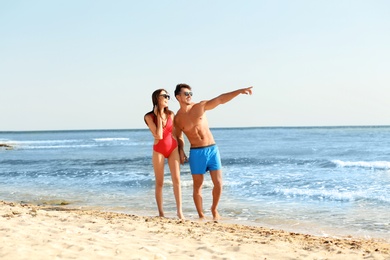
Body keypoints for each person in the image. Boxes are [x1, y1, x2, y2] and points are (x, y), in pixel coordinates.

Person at [174, 83, 253, 220]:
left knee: (218, 183)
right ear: (178, 96)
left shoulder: (199, 107)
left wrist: (239, 91)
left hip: (212, 149)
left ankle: (214, 209)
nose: (189, 96)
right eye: (186, 93)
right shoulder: (178, 118)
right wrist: (181, 151)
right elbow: (179, 137)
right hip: (196, 152)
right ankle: (201, 214)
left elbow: (220, 99)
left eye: (190, 93)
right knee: (197, 185)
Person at [144, 89, 184, 219]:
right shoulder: (148, 117)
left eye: (168, 96)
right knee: (159, 182)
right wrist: (159, 116)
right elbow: (159, 135)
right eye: (164, 96)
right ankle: (161, 213)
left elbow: (178, 134)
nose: (167, 98)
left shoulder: (171, 114)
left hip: (173, 148)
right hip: (159, 149)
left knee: (177, 180)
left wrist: (181, 150)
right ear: (157, 98)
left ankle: (179, 212)